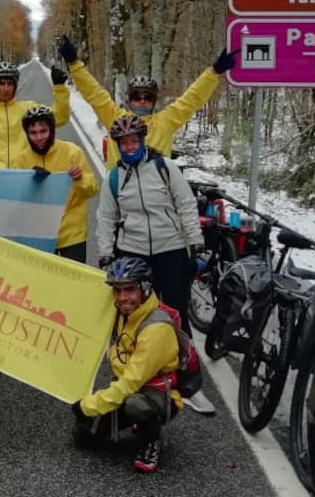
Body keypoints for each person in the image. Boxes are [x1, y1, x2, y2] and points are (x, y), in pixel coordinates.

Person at [95, 114, 216, 416]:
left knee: (176, 314)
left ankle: (189, 385)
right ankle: (131, 373)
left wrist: (195, 243)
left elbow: (186, 205)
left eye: (134, 141)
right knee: (131, 314)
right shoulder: (114, 178)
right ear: (118, 145)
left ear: (142, 141)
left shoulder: (165, 168)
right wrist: (106, 253)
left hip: (170, 248)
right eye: (124, 143)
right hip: (132, 251)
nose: (129, 147)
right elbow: (106, 217)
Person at [71, 257, 185, 474]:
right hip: (127, 388)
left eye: (130, 289)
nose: (122, 298)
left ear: (145, 288)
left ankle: (151, 440)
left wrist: (88, 406)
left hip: (156, 393)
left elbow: (130, 383)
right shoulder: (122, 313)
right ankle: (132, 420)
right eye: (117, 290)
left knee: (136, 406)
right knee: (84, 436)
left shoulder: (156, 330)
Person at [58, 35, 236, 167]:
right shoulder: (115, 118)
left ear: (154, 101)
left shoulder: (165, 122)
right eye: (137, 96)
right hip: (119, 198)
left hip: (155, 200)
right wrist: (74, 64)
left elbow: (192, 99)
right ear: (129, 100)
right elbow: (94, 93)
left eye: (147, 97)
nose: (142, 101)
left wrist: (214, 72)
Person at [11, 105, 97, 262]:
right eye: (33, 133)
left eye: (43, 131)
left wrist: (80, 179)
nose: (39, 137)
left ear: (52, 130)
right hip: (38, 235)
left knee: (73, 278)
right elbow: (15, 199)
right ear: (27, 134)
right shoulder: (20, 160)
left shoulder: (73, 152)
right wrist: (30, 182)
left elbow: (92, 189)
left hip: (72, 235)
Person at [0, 60, 71, 167]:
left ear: (15, 86)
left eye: (10, 84)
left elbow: (59, 117)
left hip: (22, 173)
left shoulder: (28, 109)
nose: (6, 88)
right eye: (1, 83)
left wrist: (60, 87)